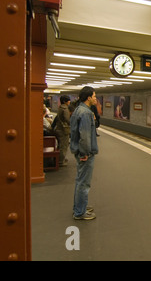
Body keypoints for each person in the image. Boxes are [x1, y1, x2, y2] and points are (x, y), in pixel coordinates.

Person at [70, 86, 98, 220]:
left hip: (79, 151)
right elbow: (85, 136)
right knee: (84, 183)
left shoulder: (77, 110)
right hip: (85, 153)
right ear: (88, 98)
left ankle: (79, 207)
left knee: (79, 181)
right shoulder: (86, 113)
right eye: (94, 96)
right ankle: (80, 212)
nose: (95, 98)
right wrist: (85, 153)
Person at [54, 95, 71, 166]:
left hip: (58, 128)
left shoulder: (60, 108)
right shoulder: (65, 109)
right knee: (63, 146)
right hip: (63, 130)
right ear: (65, 101)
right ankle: (61, 161)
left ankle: (59, 159)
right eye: (68, 100)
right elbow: (67, 120)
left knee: (60, 145)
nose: (69, 102)